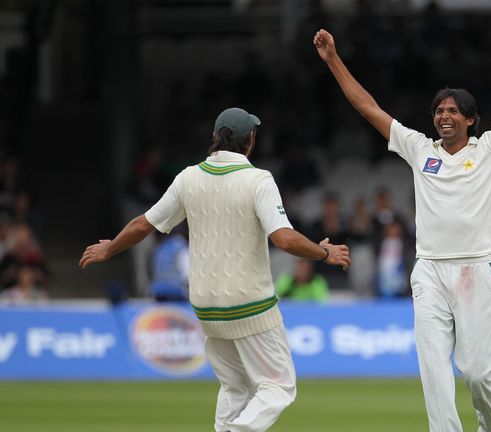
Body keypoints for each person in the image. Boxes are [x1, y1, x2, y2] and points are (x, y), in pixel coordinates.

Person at [315, 16, 491, 432]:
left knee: (478, 373)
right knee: (434, 370)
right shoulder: (419, 149)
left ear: (471, 120)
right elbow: (367, 107)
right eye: (439, 110)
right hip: (428, 268)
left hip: (474, 267)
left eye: (453, 110)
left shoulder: (490, 147)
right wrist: (334, 60)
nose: (444, 115)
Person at [80, 107, 351, 432]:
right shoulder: (258, 180)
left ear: (214, 139)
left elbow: (143, 224)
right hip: (250, 304)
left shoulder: (188, 178)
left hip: (206, 306)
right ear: (250, 140)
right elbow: (284, 238)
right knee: (279, 387)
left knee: (235, 388)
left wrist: (109, 248)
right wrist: (323, 252)